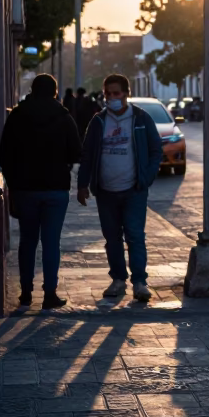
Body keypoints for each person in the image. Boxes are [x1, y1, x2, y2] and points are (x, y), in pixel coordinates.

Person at [77, 73, 163, 303]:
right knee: (112, 238)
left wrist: (147, 176)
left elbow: (156, 150)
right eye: (108, 94)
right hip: (105, 191)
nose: (112, 98)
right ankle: (117, 280)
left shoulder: (141, 119)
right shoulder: (98, 122)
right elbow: (87, 155)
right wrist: (82, 185)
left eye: (116, 93)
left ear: (126, 93)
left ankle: (139, 282)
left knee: (135, 236)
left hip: (134, 190)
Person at [0, 73, 82, 309]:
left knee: (27, 241)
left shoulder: (17, 116)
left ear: (32, 91)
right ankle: (49, 294)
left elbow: (5, 154)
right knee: (51, 242)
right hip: (55, 189)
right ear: (55, 92)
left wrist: (13, 183)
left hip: (25, 190)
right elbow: (76, 152)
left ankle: (25, 293)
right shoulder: (64, 117)